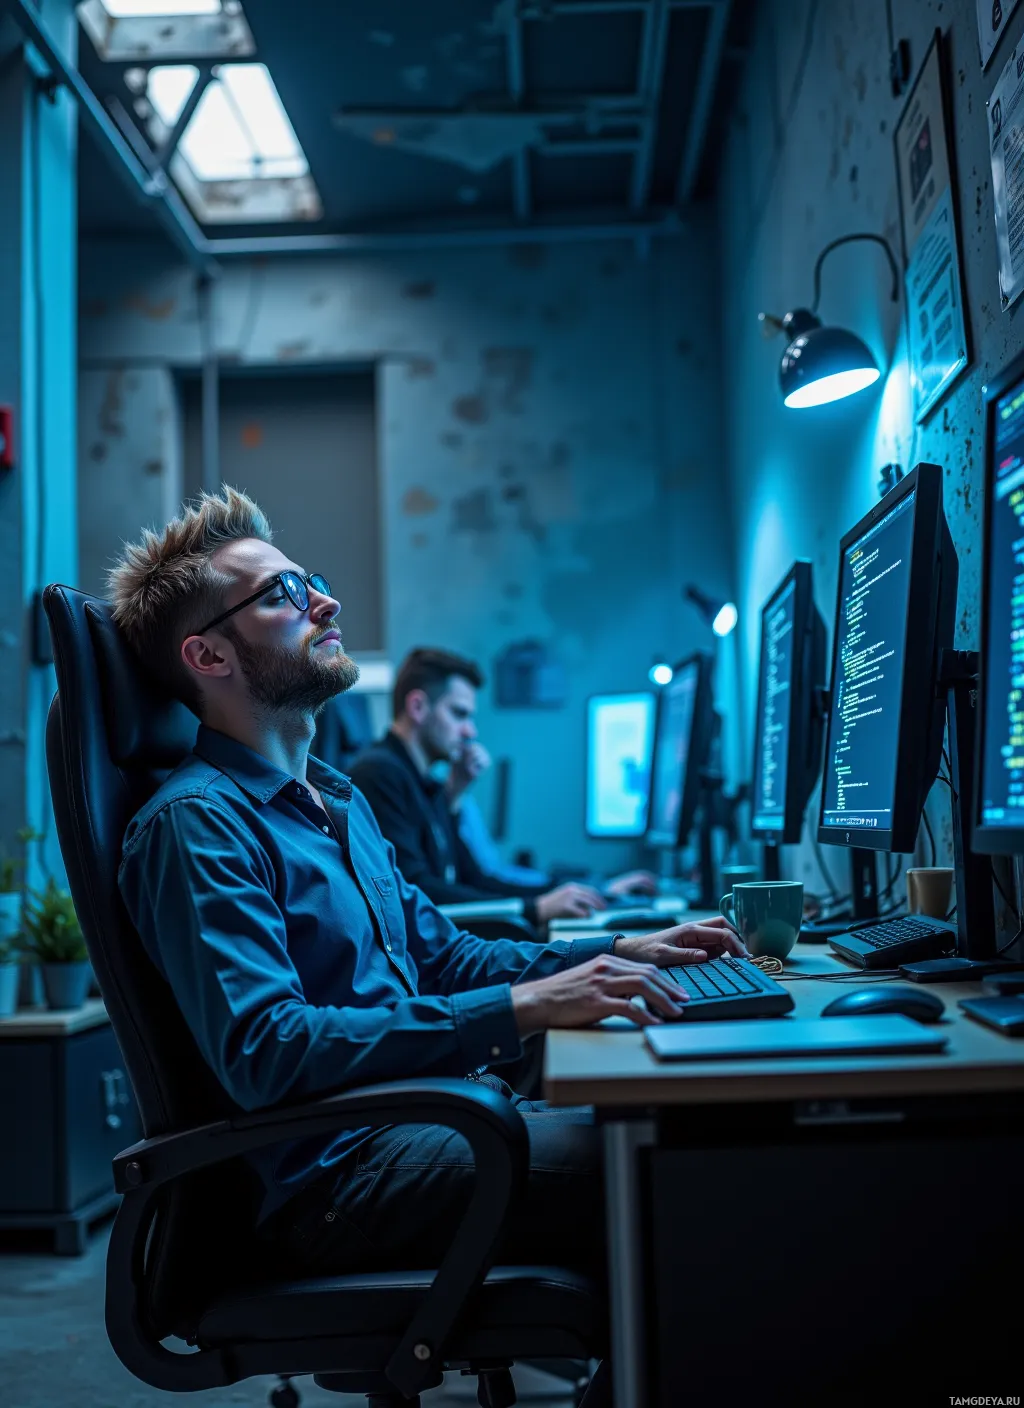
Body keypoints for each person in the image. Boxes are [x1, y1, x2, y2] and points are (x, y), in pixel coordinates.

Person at [109, 487, 745, 1366]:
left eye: (312, 582)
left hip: (418, 1129)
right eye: (283, 596)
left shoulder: (337, 801)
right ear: (207, 653)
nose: (324, 602)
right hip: (335, 1180)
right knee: (671, 1164)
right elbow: (268, 1050)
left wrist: (613, 950)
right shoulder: (197, 826)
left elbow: (442, 953)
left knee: (680, 1128)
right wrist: (522, 1010)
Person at [350, 648, 655, 927]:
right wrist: (532, 908)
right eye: (459, 714)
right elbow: (417, 890)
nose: (470, 730)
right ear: (417, 707)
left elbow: (472, 877)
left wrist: (583, 892)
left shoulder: (421, 782)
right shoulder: (379, 774)